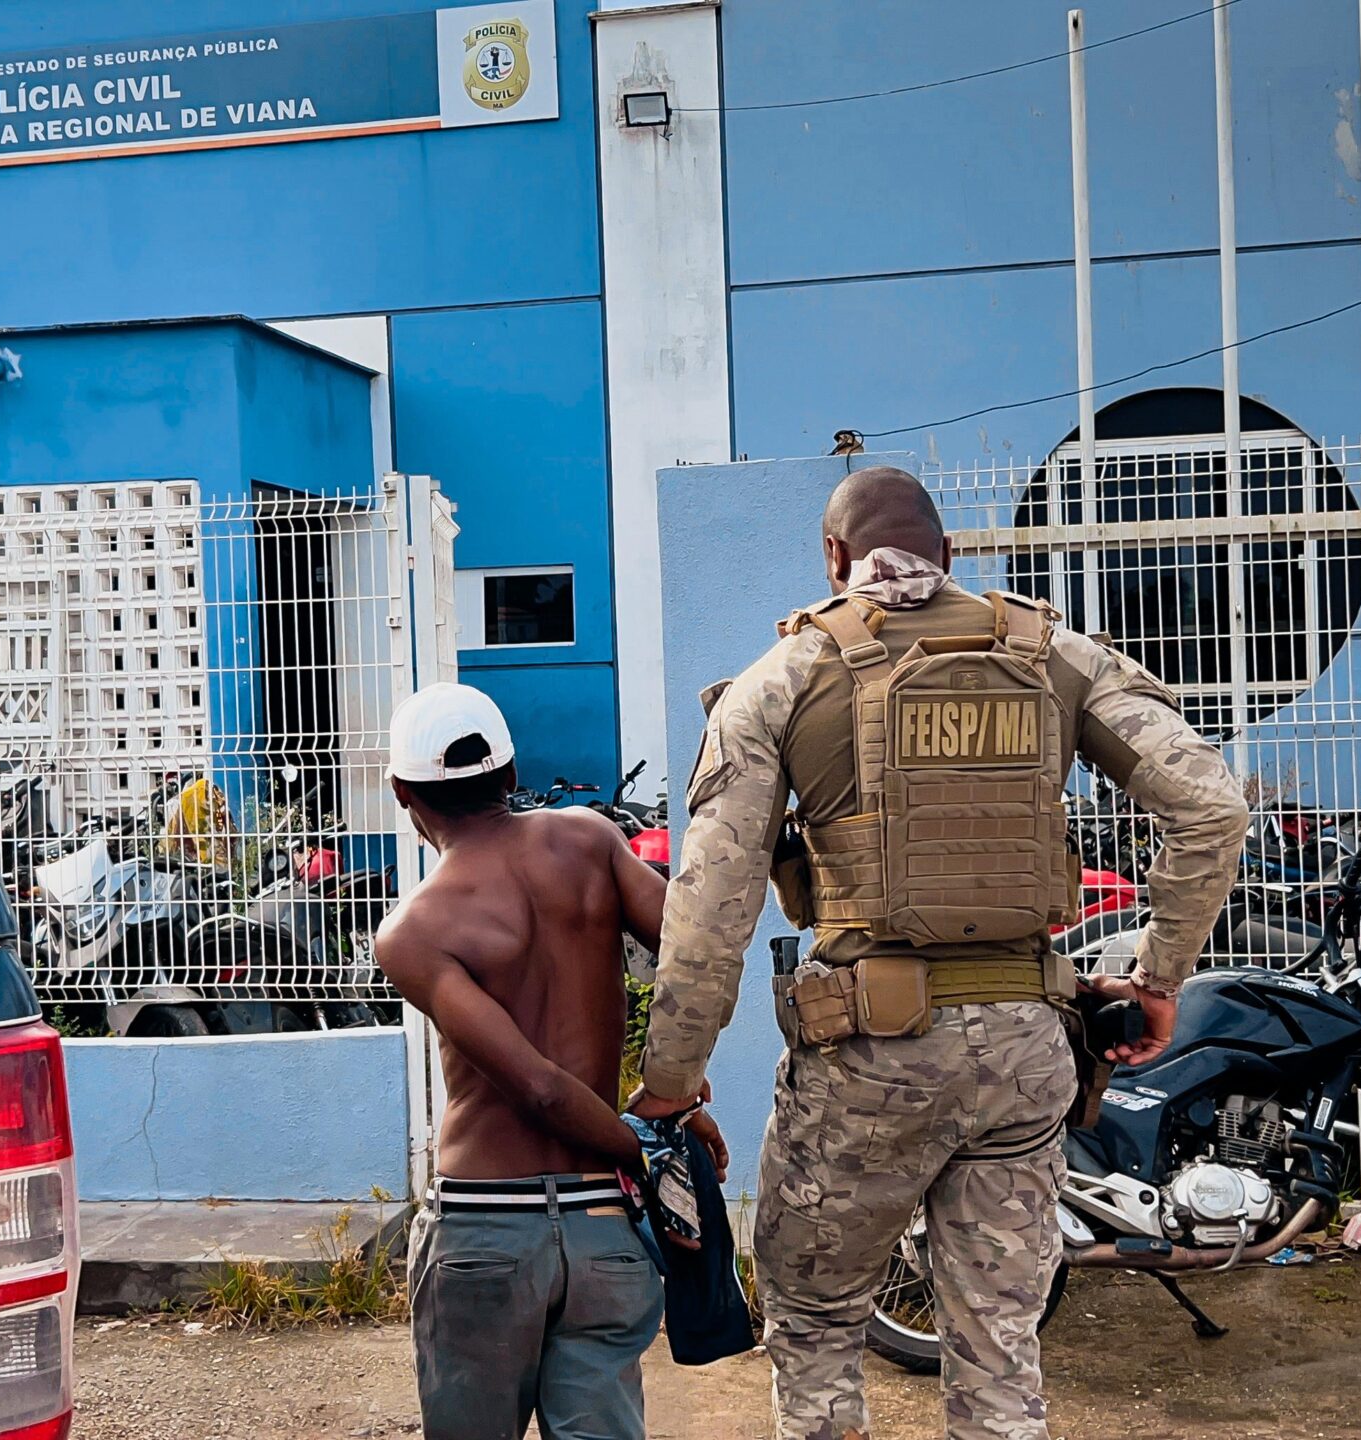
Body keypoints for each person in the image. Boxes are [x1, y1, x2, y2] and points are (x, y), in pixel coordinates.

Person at [633, 466, 1248, 1440]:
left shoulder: (783, 678)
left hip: (863, 1063)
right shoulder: (1052, 654)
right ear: (949, 555)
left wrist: (672, 1075)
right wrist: (1156, 973)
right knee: (1000, 1347)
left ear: (833, 560)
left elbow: (712, 902)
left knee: (818, 1323)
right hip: (1024, 1055)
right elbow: (1211, 806)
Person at [374, 682, 721, 1440]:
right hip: (603, 1232)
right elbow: (695, 952)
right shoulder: (591, 840)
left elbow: (536, 1087)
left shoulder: (413, 932)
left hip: (485, 1234)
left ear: (403, 793)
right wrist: (673, 1101)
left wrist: (648, 1146)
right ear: (510, 773)